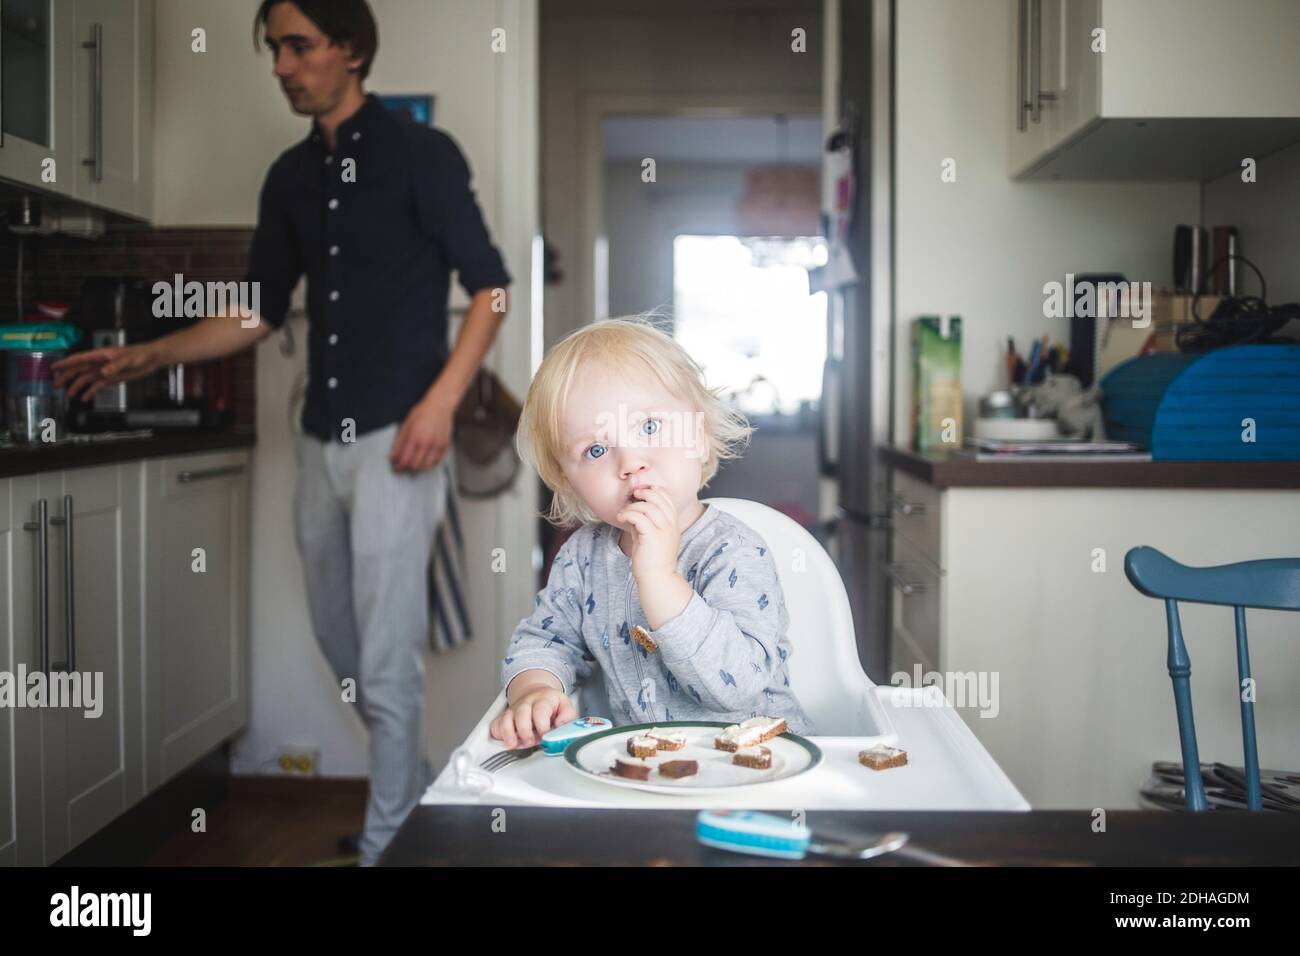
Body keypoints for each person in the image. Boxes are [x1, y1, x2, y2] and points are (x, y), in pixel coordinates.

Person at [53, 0, 511, 866]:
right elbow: (259, 312)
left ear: (350, 48)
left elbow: (491, 289)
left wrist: (440, 404)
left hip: (399, 441)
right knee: (343, 639)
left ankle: (388, 847)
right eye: (273, 49)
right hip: (317, 439)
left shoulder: (423, 156)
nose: (280, 65)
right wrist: (145, 355)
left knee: (385, 659)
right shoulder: (289, 178)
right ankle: (409, 803)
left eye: (297, 46)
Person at [489, 318, 813, 748]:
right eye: (596, 450)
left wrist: (660, 580)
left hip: (763, 766)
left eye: (649, 427)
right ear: (568, 483)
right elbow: (545, 640)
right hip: (648, 774)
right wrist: (534, 690)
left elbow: (735, 686)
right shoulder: (582, 557)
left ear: (697, 437)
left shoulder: (733, 551)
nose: (630, 461)